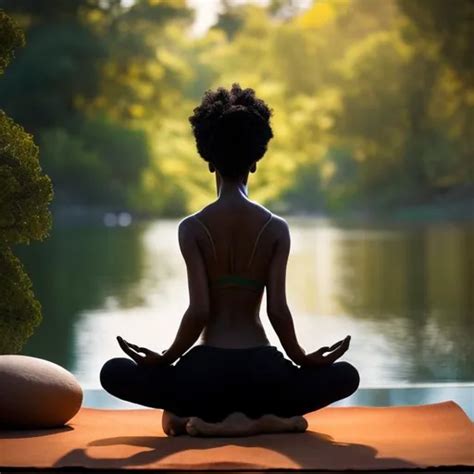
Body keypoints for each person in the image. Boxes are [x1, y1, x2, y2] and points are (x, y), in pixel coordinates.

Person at [100, 83, 360, 437]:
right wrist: (302, 358)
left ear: (208, 161)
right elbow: (277, 311)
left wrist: (164, 358)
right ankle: (262, 420)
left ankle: (204, 419)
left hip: (205, 374)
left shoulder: (192, 228)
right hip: (263, 373)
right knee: (346, 376)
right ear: (255, 161)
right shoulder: (276, 229)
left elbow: (200, 312)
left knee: (114, 372)